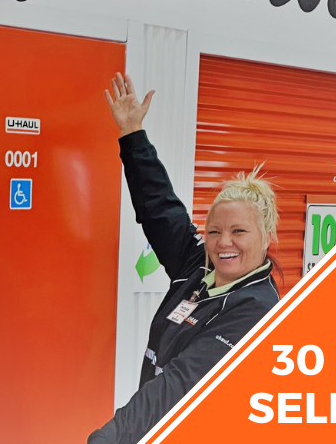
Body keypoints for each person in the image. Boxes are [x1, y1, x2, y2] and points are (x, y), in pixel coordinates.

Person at [89, 74, 281, 443]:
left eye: (239, 231)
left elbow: (179, 384)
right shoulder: (200, 265)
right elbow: (160, 209)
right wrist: (132, 133)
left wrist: (113, 436)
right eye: (214, 231)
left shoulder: (257, 310)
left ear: (266, 236)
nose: (224, 242)